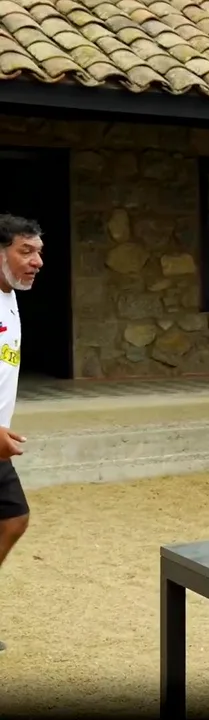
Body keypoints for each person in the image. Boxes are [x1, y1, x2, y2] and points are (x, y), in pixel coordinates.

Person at [0, 214, 42, 654]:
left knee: (13, 519)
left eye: (38, 252)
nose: (37, 261)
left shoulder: (10, 298)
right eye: (26, 251)